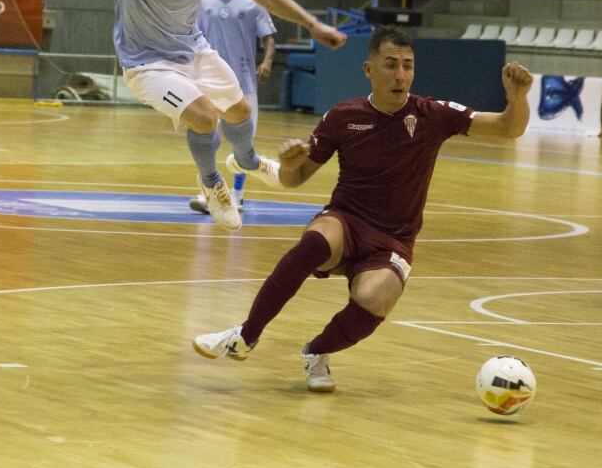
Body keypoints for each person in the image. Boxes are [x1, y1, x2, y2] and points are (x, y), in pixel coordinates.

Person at [192, 25, 533, 392]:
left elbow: (507, 128)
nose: (400, 74)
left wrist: (518, 98)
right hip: (347, 220)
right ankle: (245, 336)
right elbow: (296, 179)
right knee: (313, 245)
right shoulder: (342, 117)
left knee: (375, 299)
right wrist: (291, 164)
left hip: (394, 239)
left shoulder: (432, 115)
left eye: (407, 65)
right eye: (390, 64)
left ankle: (317, 352)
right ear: (369, 69)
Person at [6, 0, 345, 230]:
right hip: (146, 64)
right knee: (203, 116)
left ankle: (246, 161)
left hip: (194, 51)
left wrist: (312, 24)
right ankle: (212, 182)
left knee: (241, 111)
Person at [189, 0, 277, 215]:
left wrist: (268, 61)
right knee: (206, 137)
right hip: (209, 82)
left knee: (244, 143)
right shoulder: (204, 2)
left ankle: (237, 196)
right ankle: (210, 193)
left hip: (244, 83)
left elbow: (269, 37)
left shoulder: (253, 2)